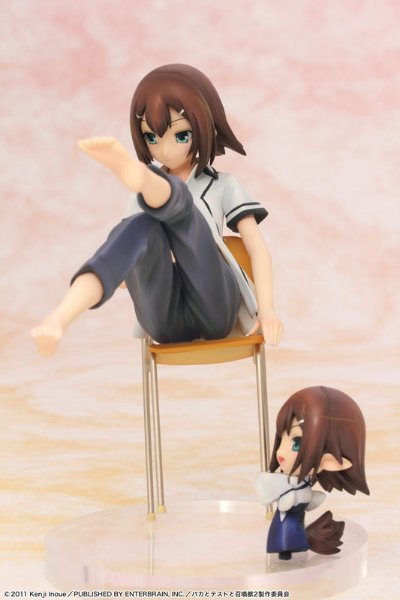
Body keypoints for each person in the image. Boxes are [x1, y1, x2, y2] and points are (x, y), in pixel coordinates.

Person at [32, 64, 283, 356]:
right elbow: (124, 279)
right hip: (164, 321)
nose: (164, 151)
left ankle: (153, 185)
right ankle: (60, 318)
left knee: (185, 217)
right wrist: (137, 260)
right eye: (152, 138)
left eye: (181, 135)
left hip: (214, 305)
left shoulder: (222, 185)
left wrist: (267, 309)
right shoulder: (139, 200)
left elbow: (257, 249)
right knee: (141, 226)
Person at [256, 386, 369, 559]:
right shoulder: (286, 483)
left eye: (296, 443)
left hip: (296, 517)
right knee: (287, 532)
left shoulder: (305, 482)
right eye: (281, 438)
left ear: (330, 460)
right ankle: (286, 549)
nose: (279, 452)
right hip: (286, 519)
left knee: (294, 530)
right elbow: (278, 498)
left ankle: (295, 547)